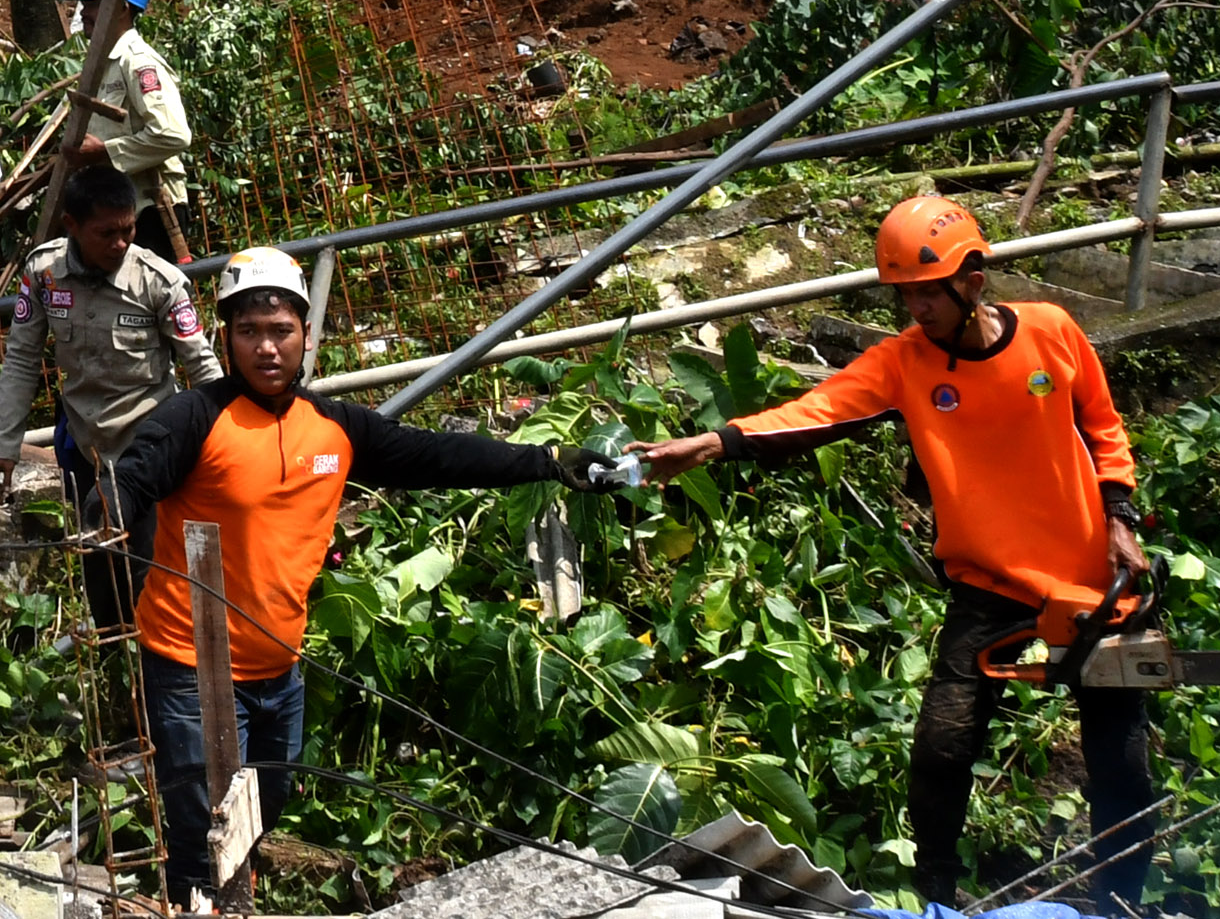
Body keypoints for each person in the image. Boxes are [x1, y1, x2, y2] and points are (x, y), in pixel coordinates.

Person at [636, 195, 1154, 912]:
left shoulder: (1052, 332)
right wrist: (707, 443)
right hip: (989, 583)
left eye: (926, 289)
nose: (916, 307)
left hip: (1093, 578)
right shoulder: (904, 364)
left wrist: (1121, 516)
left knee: (1120, 759)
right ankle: (937, 894)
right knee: (941, 750)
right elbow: (810, 414)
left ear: (972, 278)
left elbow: (1103, 427)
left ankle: (1121, 898)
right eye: (903, 293)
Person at [116, 247, 617, 907]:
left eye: (280, 331)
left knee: (267, 805)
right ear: (225, 338)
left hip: (278, 666)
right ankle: (200, 903)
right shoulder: (195, 419)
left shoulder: (333, 425)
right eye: (249, 332)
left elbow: (436, 454)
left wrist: (547, 459)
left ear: (307, 336)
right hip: (191, 666)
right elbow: (129, 480)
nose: (266, 347)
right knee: (203, 828)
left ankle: (235, 895)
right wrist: (112, 518)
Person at [0, 162, 214, 649]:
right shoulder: (43, 275)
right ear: (71, 225)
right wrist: (3, 444)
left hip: (154, 453)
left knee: (154, 580)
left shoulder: (160, 283)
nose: (121, 243)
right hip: (88, 453)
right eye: (106, 233)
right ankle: (115, 680)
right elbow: (22, 359)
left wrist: (229, 446)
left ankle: (165, 676)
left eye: (128, 230)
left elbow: (203, 367)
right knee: (102, 579)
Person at [65, 0, 196, 246]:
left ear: (121, 9)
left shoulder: (137, 62)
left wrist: (105, 153)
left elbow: (173, 134)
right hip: (117, 213)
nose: (83, 12)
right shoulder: (102, 63)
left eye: (92, 4)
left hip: (152, 212)